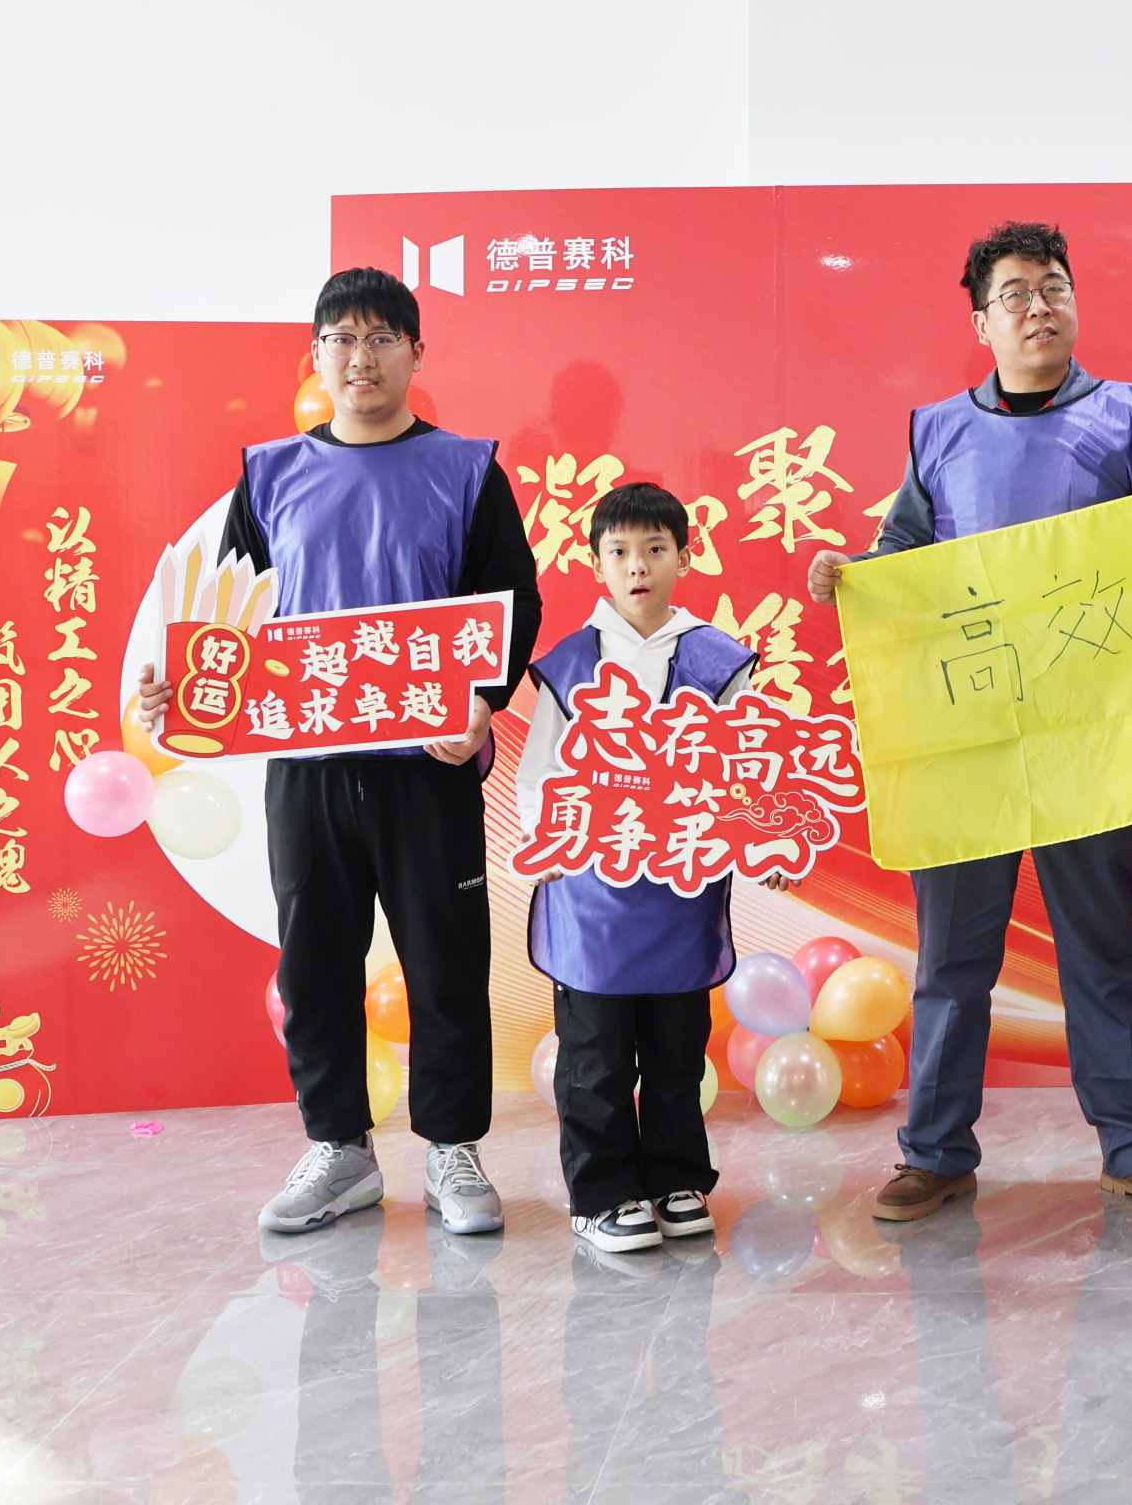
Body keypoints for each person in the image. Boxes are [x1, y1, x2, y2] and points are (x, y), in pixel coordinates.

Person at [806, 220, 1132, 1222]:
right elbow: (906, 564)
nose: (1039, 307)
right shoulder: (937, 432)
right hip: (967, 734)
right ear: (981, 322)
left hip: (1089, 733)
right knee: (953, 957)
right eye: (1016, 294)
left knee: (1101, 946)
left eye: (1054, 287)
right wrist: (853, 577)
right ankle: (935, 1151)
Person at [132, 266, 541, 1235]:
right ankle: (340, 1148)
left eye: (382, 337)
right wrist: (181, 690)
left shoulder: (467, 471)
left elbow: (512, 602)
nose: (362, 357)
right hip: (308, 771)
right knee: (315, 963)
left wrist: (482, 702)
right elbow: (227, 622)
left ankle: (452, 1147)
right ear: (315, 355)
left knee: (446, 962)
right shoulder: (270, 475)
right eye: (342, 338)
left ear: (416, 353)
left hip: (429, 767)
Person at [515, 481, 755, 1254]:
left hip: (681, 888)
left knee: (678, 1049)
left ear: (685, 557)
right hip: (592, 894)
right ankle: (603, 1193)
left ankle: (678, 1178)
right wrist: (548, 846)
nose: (638, 566)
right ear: (596, 565)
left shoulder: (719, 661)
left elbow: (741, 772)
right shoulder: (569, 665)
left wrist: (760, 844)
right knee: (596, 1053)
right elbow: (539, 775)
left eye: (655, 548)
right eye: (619, 552)